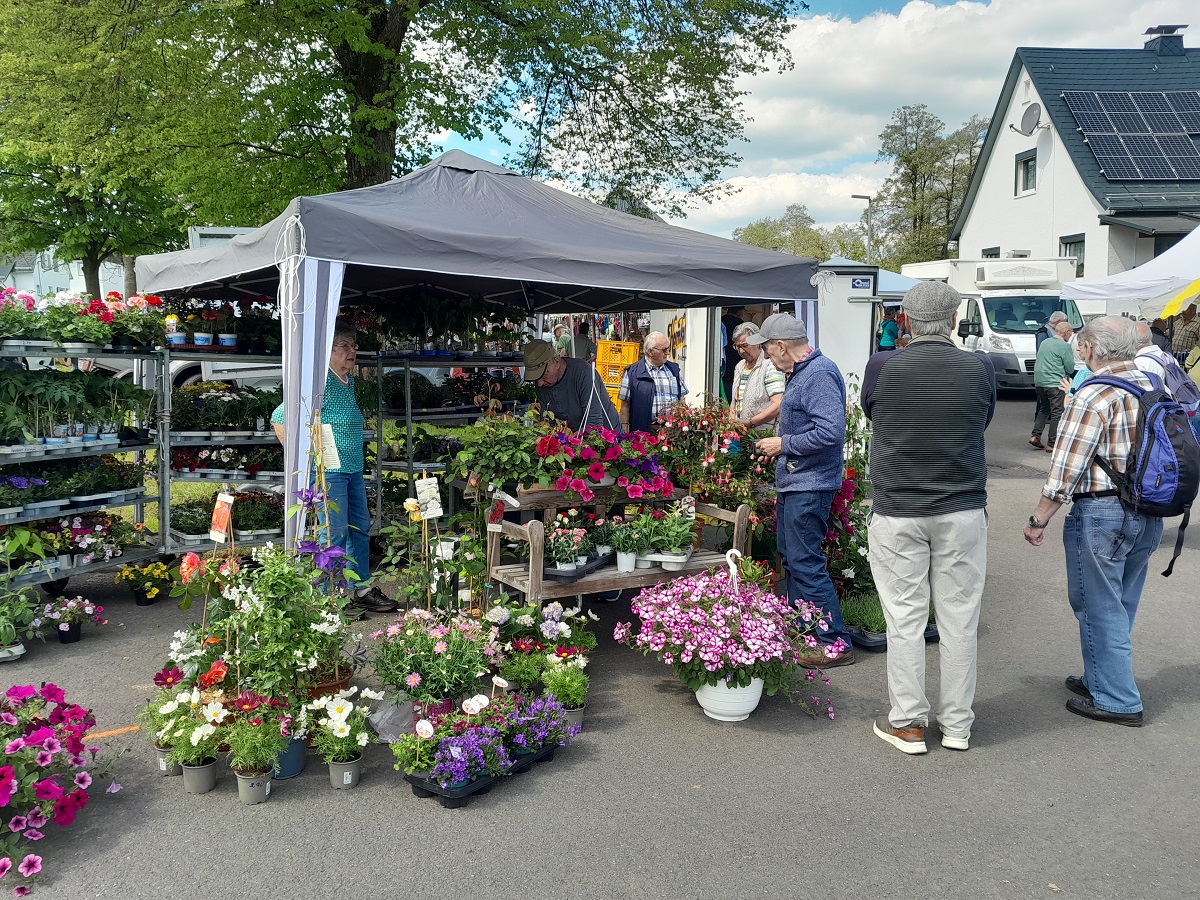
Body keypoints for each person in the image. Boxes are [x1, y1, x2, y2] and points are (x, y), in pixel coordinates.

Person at [860, 282, 996, 754]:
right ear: (955, 320)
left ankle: (909, 724)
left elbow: (874, 413)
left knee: (904, 619)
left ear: (906, 321)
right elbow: (981, 420)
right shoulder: (979, 366)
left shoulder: (882, 365)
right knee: (960, 621)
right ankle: (958, 725)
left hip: (898, 508)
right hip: (961, 508)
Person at [1023, 317, 1162, 727]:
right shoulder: (1154, 386)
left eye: (1082, 346)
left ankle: (1118, 698)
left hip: (1103, 512)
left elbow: (1066, 467)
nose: (1079, 352)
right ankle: (1102, 676)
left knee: (1098, 606)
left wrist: (1038, 519)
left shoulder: (1093, 394)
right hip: (1148, 510)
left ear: (1092, 350)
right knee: (1121, 602)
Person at [270, 321, 397, 615]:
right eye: (344, 346)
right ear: (328, 351)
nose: (352, 352)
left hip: (353, 469)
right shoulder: (320, 382)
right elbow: (279, 416)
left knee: (360, 529)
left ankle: (361, 588)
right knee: (334, 534)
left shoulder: (347, 381)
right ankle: (331, 597)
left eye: (354, 346)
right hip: (330, 472)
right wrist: (305, 458)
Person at [749, 314, 852, 667]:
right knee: (792, 558)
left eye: (766, 348)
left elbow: (831, 432)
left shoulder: (819, 374)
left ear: (781, 346)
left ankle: (834, 642)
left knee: (805, 562)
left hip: (811, 484)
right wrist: (779, 449)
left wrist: (783, 443)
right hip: (799, 481)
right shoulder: (805, 373)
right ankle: (803, 632)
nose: (765, 356)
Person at [522, 339, 619, 431]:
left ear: (556, 362)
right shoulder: (542, 384)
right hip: (573, 437)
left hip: (607, 437)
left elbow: (594, 424)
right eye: (535, 379)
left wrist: (570, 440)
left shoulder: (583, 373)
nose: (539, 383)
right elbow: (548, 422)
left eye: (543, 375)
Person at [617, 332, 688, 433]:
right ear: (650, 351)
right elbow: (625, 405)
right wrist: (624, 431)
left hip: (672, 431)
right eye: (664, 350)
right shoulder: (632, 372)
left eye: (668, 348)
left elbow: (682, 399)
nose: (668, 352)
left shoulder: (674, 370)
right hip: (645, 432)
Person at [1134, 321, 1200, 414]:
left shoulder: (1140, 362)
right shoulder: (1168, 357)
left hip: (1157, 411)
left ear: (1132, 340)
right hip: (1175, 408)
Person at [730, 322, 785, 431]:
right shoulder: (740, 366)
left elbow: (778, 404)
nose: (741, 351)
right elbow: (735, 399)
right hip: (740, 433)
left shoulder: (769, 364)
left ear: (757, 342)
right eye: (737, 346)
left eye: (745, 345)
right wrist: (732, 418)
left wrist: (750, 423)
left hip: (763, 435)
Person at [1029, 321, 1075, 451]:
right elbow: (1070, 367)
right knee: (1057, 412)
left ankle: (1035, 435)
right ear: (1066, 332)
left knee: (1044, 409)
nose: (1071, 335)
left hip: (1040, 381)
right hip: (1055, 382)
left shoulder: (1045, 342)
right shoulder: (1064, 346)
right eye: (1071, 332)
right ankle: (1052, 443)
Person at [720, 308, 744, 403]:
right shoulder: (740, 324)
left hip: (724, 364)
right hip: (735, 361)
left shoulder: (721, 321)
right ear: (739, 311)